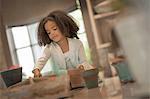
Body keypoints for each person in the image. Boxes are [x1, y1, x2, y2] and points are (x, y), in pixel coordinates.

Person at [32, 10, 93, 77]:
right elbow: (41, 60)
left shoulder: (77, 43)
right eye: (48, 32)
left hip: (83, 75)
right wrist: (36, 69)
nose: (52, 33)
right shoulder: (50, 48)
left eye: (54, 29)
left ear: (64, 26)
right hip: (67, 78)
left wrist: (81, 67)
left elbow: (84, 61)